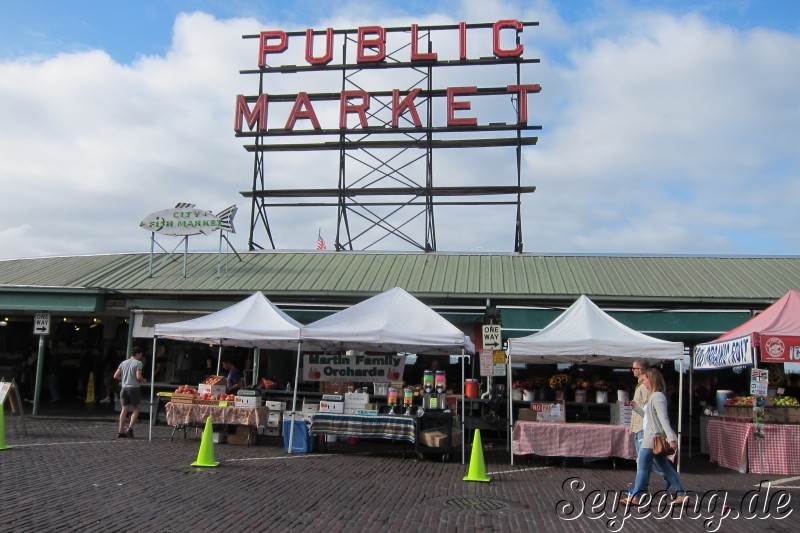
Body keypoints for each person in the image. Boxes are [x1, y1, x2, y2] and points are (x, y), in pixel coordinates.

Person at [621, 367, 689, 508]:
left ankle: (636, 496)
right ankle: (681, 493)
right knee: (664, 466)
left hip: (652, 437)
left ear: (651, 380)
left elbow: (663, 418)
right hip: (652, 435)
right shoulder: (654, 396)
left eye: (645, 379)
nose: (643, 382)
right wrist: (637, 409)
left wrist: (671, 438)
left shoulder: (657, 396)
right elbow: (651, 417)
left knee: (642, 465)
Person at [113, 347, 146, 439]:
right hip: (134, 388)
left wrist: (123, 379)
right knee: (137, 408)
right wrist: (143, 380)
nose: (141, 356)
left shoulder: (123, 363)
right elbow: (138, 377)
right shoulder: (138, 363)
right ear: (138, 354)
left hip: (124, 388)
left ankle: (120, 431)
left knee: (124, 410)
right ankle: (130, 428)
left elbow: (115, 376)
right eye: (140, 354)